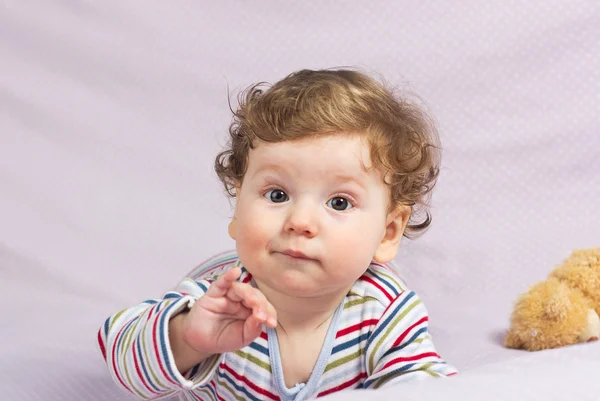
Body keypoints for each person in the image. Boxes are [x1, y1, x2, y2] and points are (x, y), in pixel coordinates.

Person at [98, 68, 457, 401]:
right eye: (277, 195)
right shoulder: (222, 296)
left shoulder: (384, 310)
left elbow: (423, 385)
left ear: (387, 232)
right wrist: (187, 337)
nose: (300, 221)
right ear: (238, 209)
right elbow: (119, 352)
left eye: (339, 202)